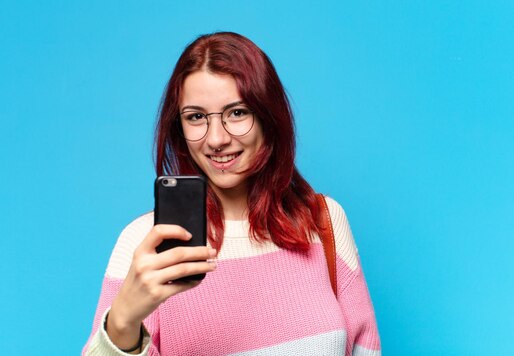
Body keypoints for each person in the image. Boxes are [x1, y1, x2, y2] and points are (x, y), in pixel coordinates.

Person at [83, 32, 381, 356]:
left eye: (237, 112)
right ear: (179, 127)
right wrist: (123, 322)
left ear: (269, 116)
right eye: (196, 117)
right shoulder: (146, 243)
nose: (216, 139)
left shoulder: (323, 222)